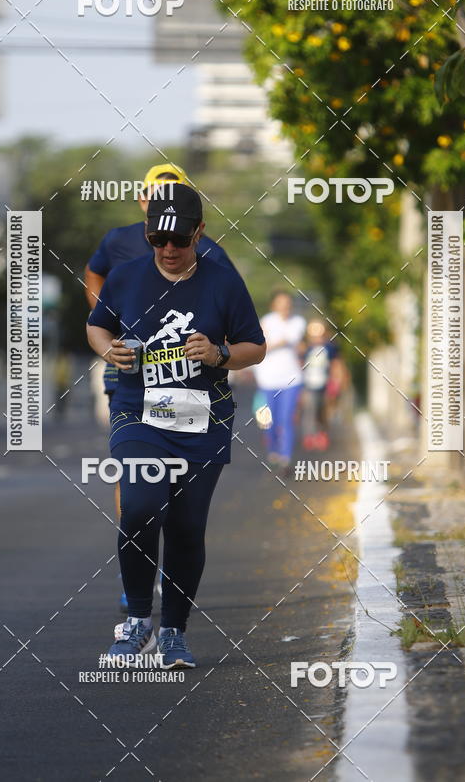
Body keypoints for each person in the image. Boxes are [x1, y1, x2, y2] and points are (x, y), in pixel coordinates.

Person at [87, 184, 266, 668]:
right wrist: (108, 349)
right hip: (138, 412)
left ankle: (173, 633)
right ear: (147, 234)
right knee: (140, 509)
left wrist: (221, 354)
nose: (167, 249)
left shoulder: (223, 282)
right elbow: (96, 324)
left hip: (203, 418)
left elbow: (255, 345)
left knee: (187, 527)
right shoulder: (125, 277)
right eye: (157, 239)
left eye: (179, 240)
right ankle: (136, 622)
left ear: (199, 233)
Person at [84, 163, 235, 611]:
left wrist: (214, 351)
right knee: (133, 467)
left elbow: (230, 309)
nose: (168, 245)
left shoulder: (208, 250)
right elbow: (93, 274)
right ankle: (138, 547)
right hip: (126, 373)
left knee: (175, 486)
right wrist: (104, 324)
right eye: (156, 192)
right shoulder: (118, 240)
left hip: (181, 387)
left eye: (173, 191)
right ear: (142, 198)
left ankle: (166, 569)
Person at [253, 291, 306, 470]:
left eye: (287, 303)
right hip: (267, 380)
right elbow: (256, 344)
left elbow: (287, 340)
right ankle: (274, 449)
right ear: (273, 305)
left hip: (291, 379)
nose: (284, 307)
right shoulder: (266, 321)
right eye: (280, 303)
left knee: (286, 419)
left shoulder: (297, 322)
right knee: (269, 421)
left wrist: (267, 344)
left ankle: (286, 457)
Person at [301, 320, 344, 451]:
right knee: (309, 410)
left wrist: (336, 381)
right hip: (309, 384)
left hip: (325, 384)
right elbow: (300, 364)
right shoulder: (306, 348)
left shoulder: (330, 348)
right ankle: (309, 435)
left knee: (323, 411)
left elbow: (336, 365)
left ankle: (321, 433)